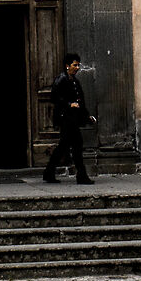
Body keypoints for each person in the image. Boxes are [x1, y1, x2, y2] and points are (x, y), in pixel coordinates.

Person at [43, 53, 95, 185]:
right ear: (67, 66)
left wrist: (86, 115)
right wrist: (68, 104)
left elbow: (80, 101)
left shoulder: (74, 80)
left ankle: (49, 172)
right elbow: (54, 98)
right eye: (74, 65)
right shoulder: (61, 79)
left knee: (64, 146)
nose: (77, 67)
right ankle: (81, 175)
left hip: (73, 119)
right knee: (76, 144)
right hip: (66, 119)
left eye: (78, 65)